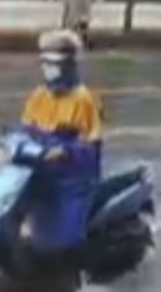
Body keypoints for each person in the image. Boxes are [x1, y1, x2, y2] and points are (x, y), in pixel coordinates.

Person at [12, 30, 104, 277]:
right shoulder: (39, 96)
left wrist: (65, 152)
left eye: (53, 65)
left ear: (67, 65)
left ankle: (80, 278)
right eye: (45, 64)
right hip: (40, 171)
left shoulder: (83, 100)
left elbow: (91, 148)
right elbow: (25, 130)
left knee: (65, 239)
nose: (47, 70)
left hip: (73, 181)